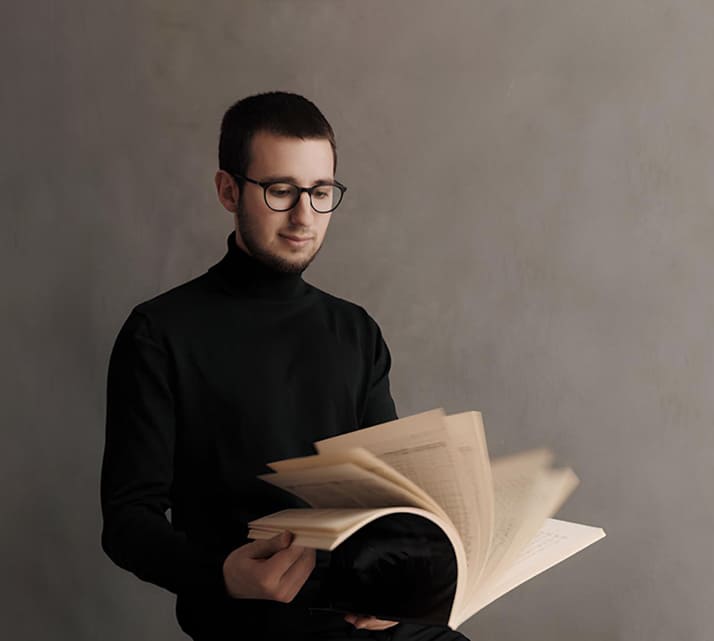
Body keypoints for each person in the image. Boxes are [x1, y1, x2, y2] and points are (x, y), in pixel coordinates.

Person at [100, 91, 470, 641]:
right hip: (247, 626)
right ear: (229, 190)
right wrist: (222, 573)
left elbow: (391, 502)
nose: (304, 216)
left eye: (321, 193)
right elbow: (128, 522)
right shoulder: (159, 332)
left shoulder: (355, 331)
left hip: (364, 620)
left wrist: (405, 586)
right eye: (281, 191)